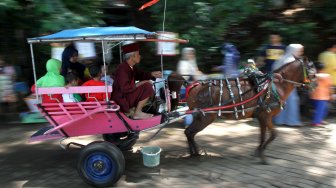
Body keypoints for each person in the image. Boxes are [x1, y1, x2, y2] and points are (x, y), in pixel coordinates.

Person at [111, 42, 162, 119]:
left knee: (147, 84)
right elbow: (125, 88)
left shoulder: (131, 67)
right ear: (132, 56)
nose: (140, 57)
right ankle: (137, 113)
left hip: (126, 96)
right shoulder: (122, 68)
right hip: (122, 99)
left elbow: (141, 75)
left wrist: (152, 74)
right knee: (147, 86)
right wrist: (142, 82)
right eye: (138, 54)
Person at [272, 44, 304, 127]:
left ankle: (280, 120)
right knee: (291, 102)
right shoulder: (292, 60)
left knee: (283, 102)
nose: (301, 52)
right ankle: (291, 121)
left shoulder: (282, 58)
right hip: (288, 86)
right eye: (299, 50)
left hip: (280, 85)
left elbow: (274, 70)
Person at [310, 62, 332, 126]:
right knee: (321, 110)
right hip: (323, 96)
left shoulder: (313, 76)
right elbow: (329, 87)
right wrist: (331, 94)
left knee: (321, 109)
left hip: (314, 96)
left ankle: (319, 120)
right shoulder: (327, 76)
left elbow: (311, 85)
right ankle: (316, 122)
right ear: (323, 69)